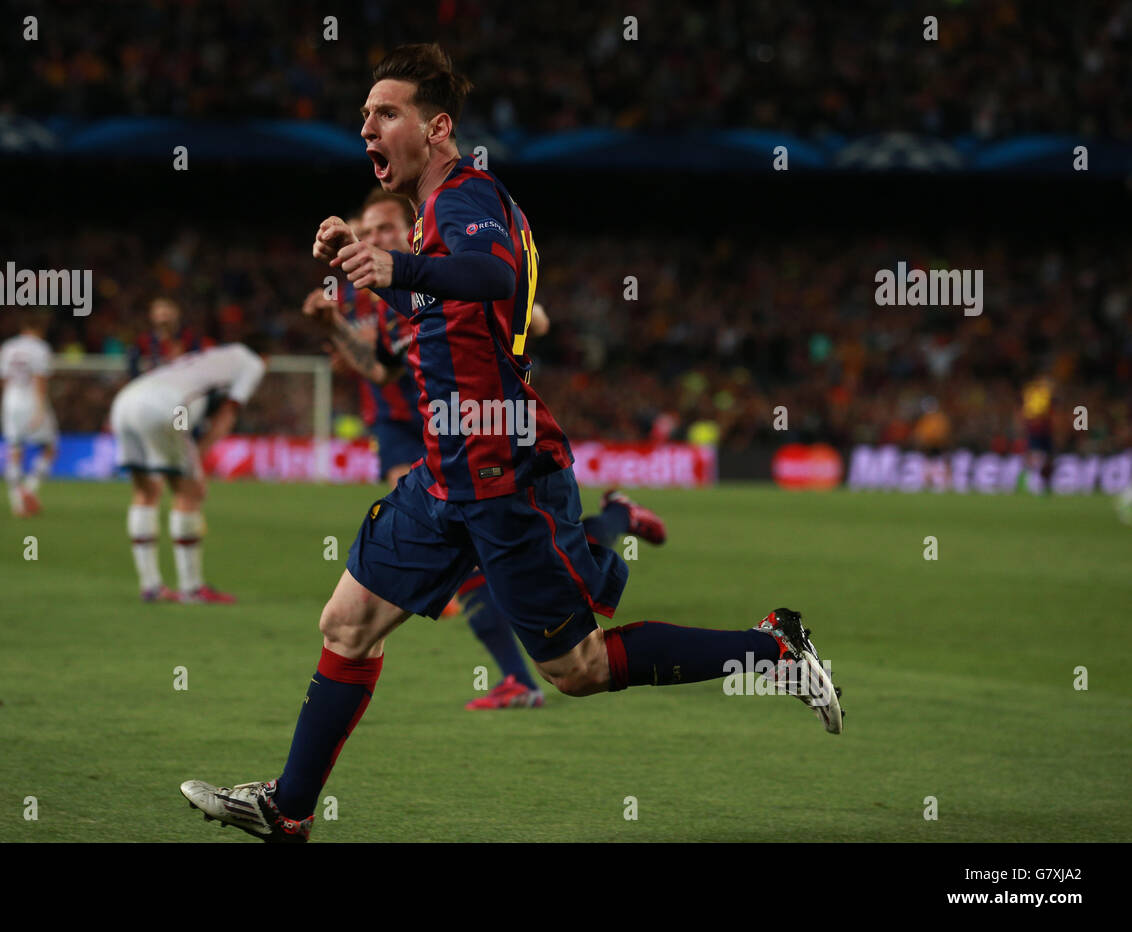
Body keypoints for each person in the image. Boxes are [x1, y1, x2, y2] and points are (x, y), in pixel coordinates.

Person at [181, 43, 842, 842]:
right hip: (445, 472)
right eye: (363, 117)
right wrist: (375, 269)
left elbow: (492, 278)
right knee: (346, 624)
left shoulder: (465, 197)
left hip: (500, 472)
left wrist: (395, 266)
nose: (368, 129)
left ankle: (769, 649)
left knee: (580, 670)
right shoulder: (442, 215)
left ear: (439, 127)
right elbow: (450, 323)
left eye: (386, 113)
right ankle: (287, 810)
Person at [305, 190, 667, 710]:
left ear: (411, 228)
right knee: (495, 556)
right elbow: (382, 369)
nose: (375, 238)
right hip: (422, 431)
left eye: (385, 228)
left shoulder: (451, 265)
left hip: (484, 431)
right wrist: (335, 328)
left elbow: (521, 309)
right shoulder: (387, 300)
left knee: (498, 556)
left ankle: (518, 673)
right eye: (369, 230)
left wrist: (527, 320)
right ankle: (613, 520)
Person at [110, 343, 266, 603]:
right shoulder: (253, 362)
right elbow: (228, 413)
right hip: (166, 406)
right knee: (190, 492)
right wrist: (200, 456)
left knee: (145, 491)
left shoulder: (204, 355)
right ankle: (191, 589)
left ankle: (151, 586)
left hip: (125, 401)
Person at [0, 310, 57, 517]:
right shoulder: (40, 348)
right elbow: (40, 380)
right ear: (40, 329)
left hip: (10, 399)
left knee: (14, 450)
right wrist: (40, 409)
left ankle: (16, 503)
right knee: (50, 447)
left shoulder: (7, 347)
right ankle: (28, 490)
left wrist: (5, 405)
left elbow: (3, 379)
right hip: (31, 399)